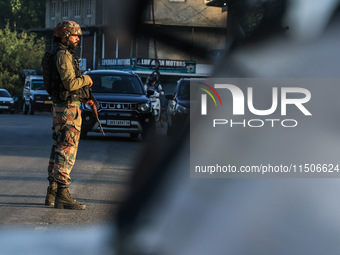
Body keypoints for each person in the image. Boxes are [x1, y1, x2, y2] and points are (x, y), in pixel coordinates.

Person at [44, 20, 94, 210]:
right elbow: (70, 84)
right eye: (75, 36)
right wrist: (87, 79)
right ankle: (63, 194)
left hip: (61, 107)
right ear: (65, 36)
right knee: (66, 149)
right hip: (67, 109)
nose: (77, 39)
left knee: (58, 149)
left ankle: (52, 191)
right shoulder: (63, 55)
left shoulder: (55, 53)